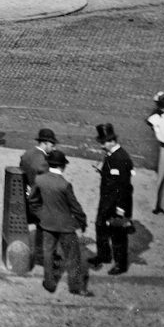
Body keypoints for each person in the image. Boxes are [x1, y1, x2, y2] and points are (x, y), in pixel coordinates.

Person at [27, 149, 92, 297]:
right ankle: (75, 286)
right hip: (66, 226)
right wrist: (82, 222)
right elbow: (76, 207)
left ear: (49, 164)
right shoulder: (65, 185)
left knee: (48, 253)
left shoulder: (40, 180)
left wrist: (41, 214)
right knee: (73, 256)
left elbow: (32, 201)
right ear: (63, 166)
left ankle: (49, 283)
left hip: (47, 224)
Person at [90, 122, 134, 275]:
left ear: (111, 141)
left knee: (118, 235)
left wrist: (120, 209)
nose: (101, 146)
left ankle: (121, 264)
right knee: (100, 226)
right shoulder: (111, 155)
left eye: (103, 143)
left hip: (117, 204)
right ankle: (104, 255)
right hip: (107, 200)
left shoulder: (121, 158)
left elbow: (124, 186)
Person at [20, 127, 58, 266]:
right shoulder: (43, 163)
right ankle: (44, 257)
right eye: (52, 145)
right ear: (46, 143)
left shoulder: (27, 154)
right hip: (37, 202)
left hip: (25, 196)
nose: (53, 149)